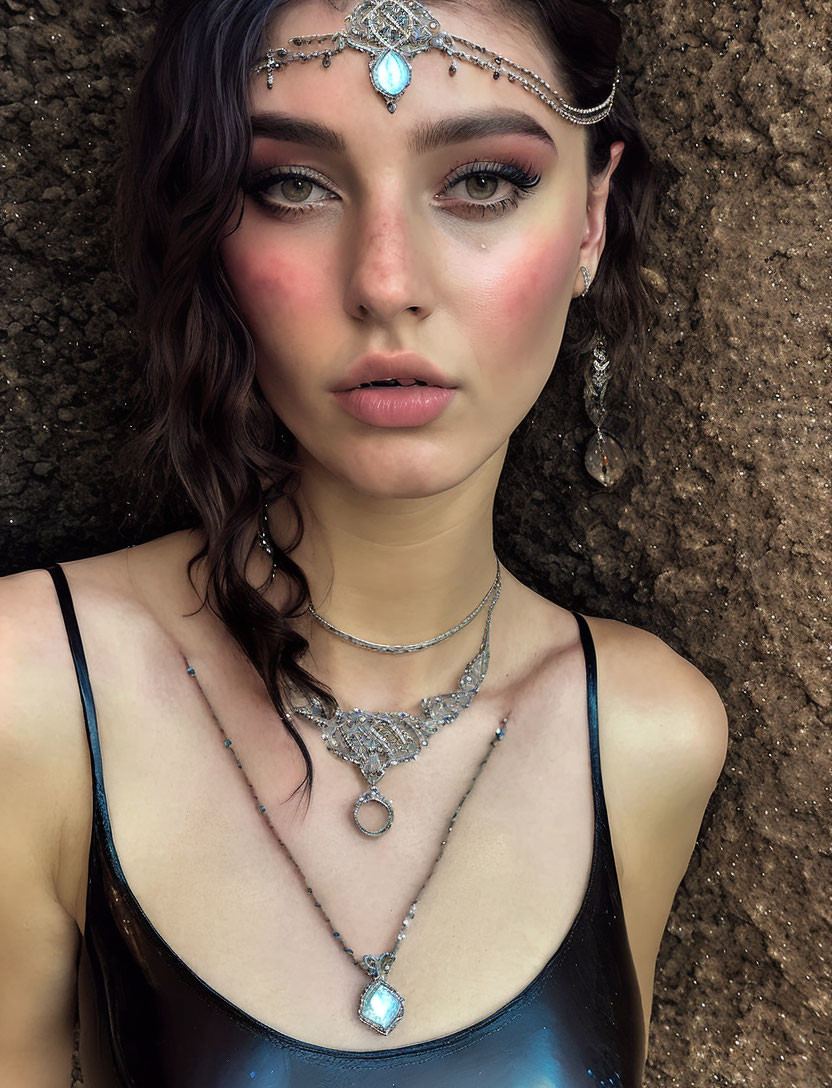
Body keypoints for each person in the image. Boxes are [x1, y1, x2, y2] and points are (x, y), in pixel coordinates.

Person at [0, 0, 729, 1084]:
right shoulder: (36, 687)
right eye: (291, 184)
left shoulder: (646, 736)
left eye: (483, 180)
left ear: (591, 218)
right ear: (209, 222)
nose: (386, 281)